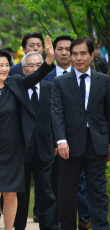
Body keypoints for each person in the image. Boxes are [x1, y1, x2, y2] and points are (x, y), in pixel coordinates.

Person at [0, 36, 54, 230]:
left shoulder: (16, 82)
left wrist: (49, 58)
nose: (5, 69)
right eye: (0, 65)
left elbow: (36, 76)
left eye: (7, 65)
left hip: (15, 150)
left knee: (10, 194)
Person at [51, 37, 110, 230]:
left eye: (83, 53)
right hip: (68, 144)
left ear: (92, 55)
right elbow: (57, 113)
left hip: (97, 142)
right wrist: (60, 140)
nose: (77, 58)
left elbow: (108, 113)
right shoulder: (60, 82)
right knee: (67, 191)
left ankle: (101, 226)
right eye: (74, 53)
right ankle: (68, 226)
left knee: (98, 191)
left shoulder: (104, 80)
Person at [14, 52, 56, 230]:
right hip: (21, 149)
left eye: (39, 65)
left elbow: (56, 117)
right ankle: (19, 226)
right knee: (21, 194)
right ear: (23, 70)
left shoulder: (50, 88)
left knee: (45, 192)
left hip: (45, 147)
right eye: (30, 65)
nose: (35, 69)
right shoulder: (17, 88)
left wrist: (56, 142)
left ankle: (47, 225)